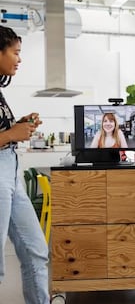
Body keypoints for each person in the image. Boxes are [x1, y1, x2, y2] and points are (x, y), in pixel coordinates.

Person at [0, 26, 50, 303]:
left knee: (36, 251)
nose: (19, 59)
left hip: (10, 170)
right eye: (16, 52)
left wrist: (17, 126)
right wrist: (9, 135)